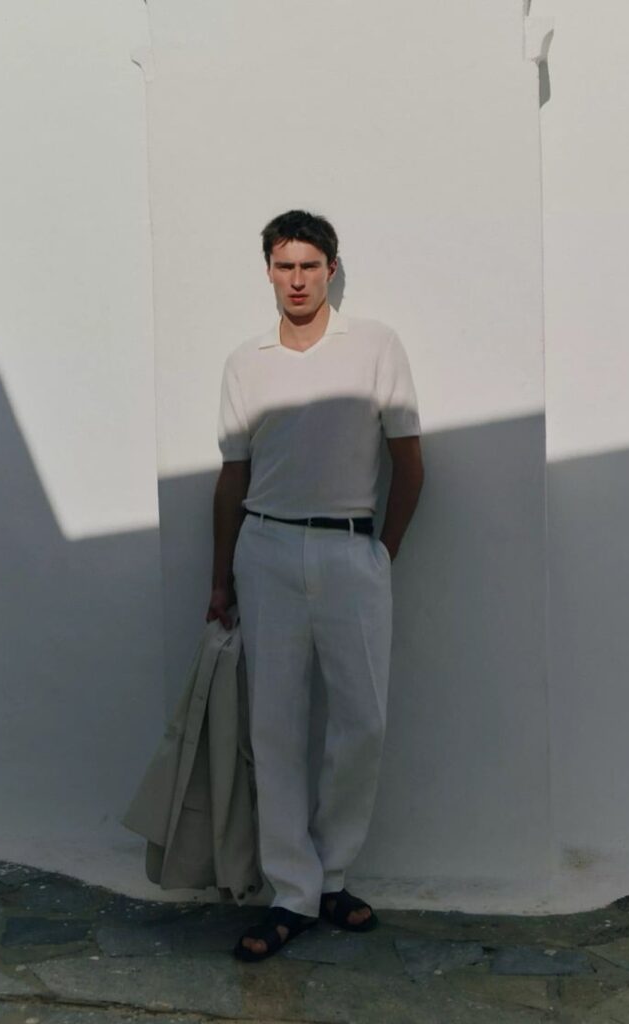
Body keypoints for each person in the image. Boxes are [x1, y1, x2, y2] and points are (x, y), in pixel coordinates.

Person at [206, 209, 424, 961]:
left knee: (360, 721)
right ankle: (291, 892)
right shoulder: (246, 361)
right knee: (273, 726)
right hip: (263, 548)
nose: (295, 279)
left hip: (349, 552)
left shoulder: (374, 347)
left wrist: (379, 553)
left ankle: (333, 874)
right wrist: (219, 578)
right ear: (266, 270)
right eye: (282, 265)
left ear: (331, 267)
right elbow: (231, 476)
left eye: (308, 265)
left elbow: (410, 460)